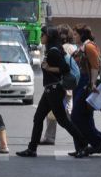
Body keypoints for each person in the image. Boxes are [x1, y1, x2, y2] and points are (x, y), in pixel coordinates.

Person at [19, 26, 88, 157]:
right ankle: (32, 148)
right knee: (39, 117)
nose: (41, 38)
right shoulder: (53, 49)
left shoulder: (53, 52)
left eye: (42, 35)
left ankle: (83, 145)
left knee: (63, 121)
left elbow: (65, 69)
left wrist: (48, 68)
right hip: (51, 90)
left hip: (55, 90)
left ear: (49, 36)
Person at [70, 24, 101, 156]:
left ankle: (98, 140)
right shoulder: (81, 47)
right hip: (79, 84)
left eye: (75, 34)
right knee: (85, 116)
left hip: (86, 84)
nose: (73, 37)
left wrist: (92, 83)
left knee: (76, 116)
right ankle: (81, 147)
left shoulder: (89, 46)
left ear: (82, 35)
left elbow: (95, 66)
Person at [40, 24, 76, 145]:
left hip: (58, 86)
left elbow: (64, 68)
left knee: (63, 116)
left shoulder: (59, 49)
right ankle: (80, 136)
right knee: (61, 115)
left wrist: (48, 68)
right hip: (65, 85)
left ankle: (80, 136)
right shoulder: (73, 47)